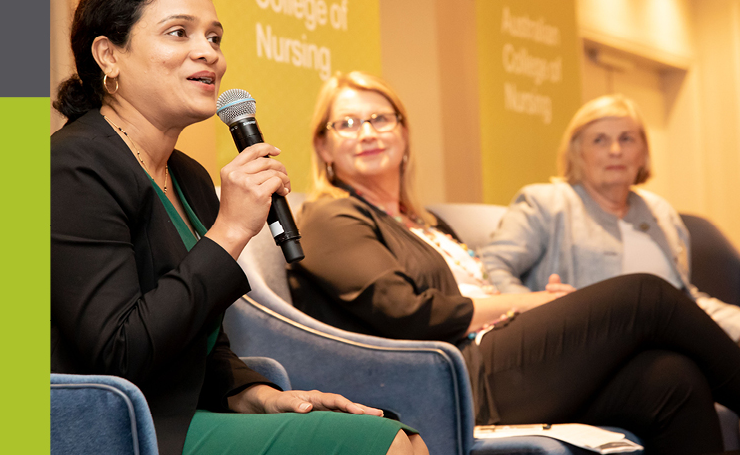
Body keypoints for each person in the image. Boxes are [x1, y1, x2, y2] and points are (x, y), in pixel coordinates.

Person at [51, 0, 426, 455]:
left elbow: (201, 339)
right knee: (388, 445)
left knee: (402, 435)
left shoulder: (188, 175)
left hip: (183, 411)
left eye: (214, 37)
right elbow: (119, 353)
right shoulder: (72, 167)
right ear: (108, 55)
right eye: (179, 32)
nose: (208, 52)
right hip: (119, 429)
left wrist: (260, 395)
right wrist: (229, 231)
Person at [288, 71, 740, 455]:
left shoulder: (425, 222)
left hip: (497, 354)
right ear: (324, 148)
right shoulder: (330, 215)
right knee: (645, 294)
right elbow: (404, 311)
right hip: (454, 374)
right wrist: (527, 302)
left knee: (671, 380)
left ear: (404, 134)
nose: (367, 133)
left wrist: (539, 305)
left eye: (381, 119)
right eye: (346, 124)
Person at [480, 93, 740, 342]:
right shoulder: (545, 203)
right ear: (578, 152)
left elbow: (686, 301)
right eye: (600, 140)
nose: (615, 150)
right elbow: (490, 267)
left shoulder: (660, 212)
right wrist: (538, 311)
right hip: (586, 348)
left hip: (674, 341)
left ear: (643, 152)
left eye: (627, 139)